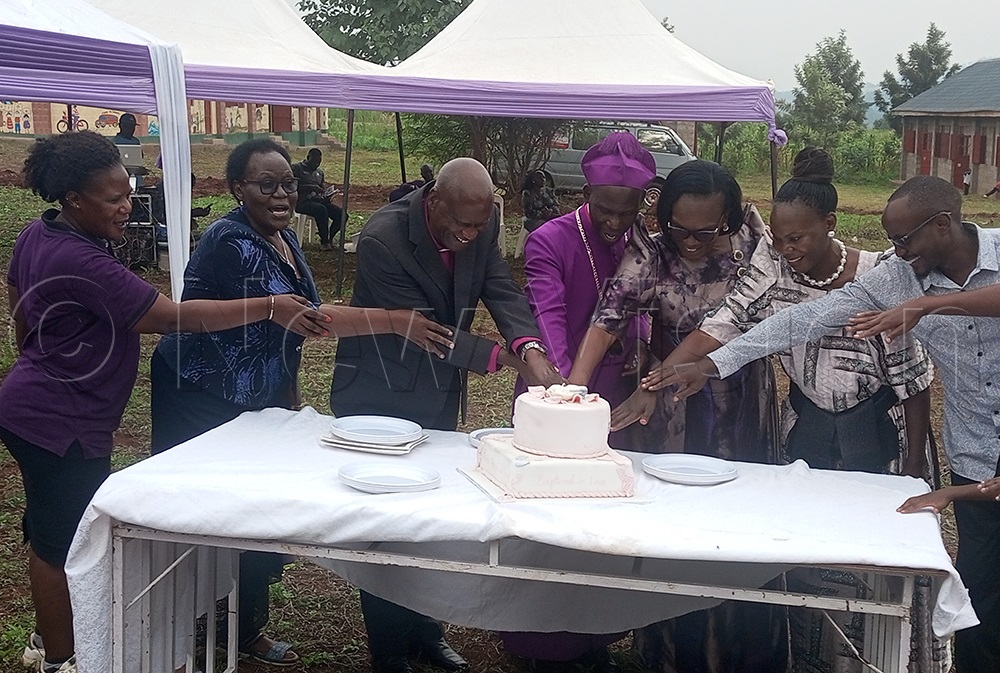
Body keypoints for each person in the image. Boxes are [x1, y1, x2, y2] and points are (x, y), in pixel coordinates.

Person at [2, 131, 328, 673]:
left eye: (128, 194)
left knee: (49, 533)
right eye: (113, 199)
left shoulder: (40, 233)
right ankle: (61, 659)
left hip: (32, 403)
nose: (127, 207)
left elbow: (19, 302)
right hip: (63, 421)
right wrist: (269, 306)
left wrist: (39, 356)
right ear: (74, 199)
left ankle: (50, 638)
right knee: (65, 546)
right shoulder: (84, 260)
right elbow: (171, 317)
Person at [656, 175, 1000, 673]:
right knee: (980, 591)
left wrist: (926, 305)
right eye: (892, 241)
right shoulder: (898, 275)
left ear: (943, 224)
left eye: (904, 239)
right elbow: (803, 320)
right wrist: (713, 364)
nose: (898, 251)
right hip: (976, 451)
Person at [149, 139, 453, 667]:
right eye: (265, 184)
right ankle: (206, 627)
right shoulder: (230, 241)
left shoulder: (284, 237)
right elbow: (308, 320)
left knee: (252, 512)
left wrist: (395, 323)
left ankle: (239, 625)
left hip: (254, 396)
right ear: (238, 189)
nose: (281, 194)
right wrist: (394, 320)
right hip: (202, 393)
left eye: (288, 183)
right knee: (215, 514)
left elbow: (304, 316)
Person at [329, 157, 563, 673]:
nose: (470, 234)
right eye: (461, 224)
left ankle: (425, 633)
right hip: (381, 395)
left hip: (436, 396)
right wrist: (508, 361)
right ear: (434, 201)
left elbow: (499, 285)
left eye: (479, 225)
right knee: (388, 527)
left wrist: (528, 344)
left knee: (429, 524)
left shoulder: (481, 221)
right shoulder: (383, 239)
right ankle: (390, 651)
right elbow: (429, 333)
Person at [569, 159, 783, 673]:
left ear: (730, 217)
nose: (689, 241)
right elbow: (610, 315)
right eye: (678, 228)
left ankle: (744, 656)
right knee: (677, 525)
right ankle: (672, 656)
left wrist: (660, 378)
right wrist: (572, 390)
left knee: (738, 525)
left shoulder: (755, 240)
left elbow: (740, 321)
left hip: (739, 401)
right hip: (674, 405)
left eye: (706, 231)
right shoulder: (652, 246)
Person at [503, 132, 655, 673]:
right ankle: (539, 647)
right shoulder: (550, 239)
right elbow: (547, 313)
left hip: (622, 401)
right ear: (586, 194)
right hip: (559, 397)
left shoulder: (645, 241)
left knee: (608, 526)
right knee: (552, 524)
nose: (615, 222)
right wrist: (570, 390)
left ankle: (597, 638)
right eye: (606, 209)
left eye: (627, 211)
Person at [291, 147, 343, 249]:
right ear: (308, 158)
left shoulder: (319, 173)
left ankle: (330, 238)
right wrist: (311, 187)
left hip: (318, 201)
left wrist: (327, 195)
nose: (316, 164)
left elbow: (322, 188)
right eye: (314, 161)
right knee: (321, 210)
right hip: (302, 202)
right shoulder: (297, 169)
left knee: (341, 214)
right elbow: (292, 187)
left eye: (319, 162)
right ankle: (325, 242)